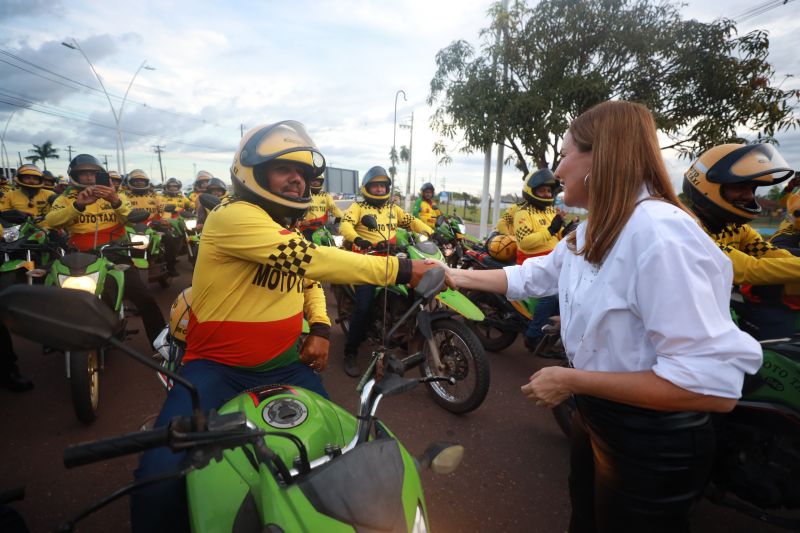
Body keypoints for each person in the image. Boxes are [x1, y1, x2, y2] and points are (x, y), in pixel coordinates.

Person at [447, 100, 762, 533]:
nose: (556, 171)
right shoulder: (596, 227)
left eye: (563, 154)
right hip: (596, 415)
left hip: (650, 439)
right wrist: (452, 275)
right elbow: (537, 275)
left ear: (601, 156)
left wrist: (571, 379)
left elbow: (709, 387)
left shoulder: (663, 235)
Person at [130, 121, 441, 532]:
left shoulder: (286, 226)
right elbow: (312, 261)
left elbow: (308, 281)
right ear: (254, 172)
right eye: (284, 169)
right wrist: (403, 269)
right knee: (158, 480)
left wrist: (319, 327)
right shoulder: (233, 216)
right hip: (217, 369)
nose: (298, 180)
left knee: (340, 454)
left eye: (304, 173)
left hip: (285, 365)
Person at [45, 155, 166, 344]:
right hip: (78, 255)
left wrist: (114, 200)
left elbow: (132, 218)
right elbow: (52, 221)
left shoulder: (117, 195)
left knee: (144, 298)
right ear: (74, 175)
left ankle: (162, 345)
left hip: (114, 253)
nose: (89, 178)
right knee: (52, 293)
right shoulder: (65, 198)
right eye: (83, 173)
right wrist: (78, 205)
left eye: (93, 173)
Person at [682, 143, 799, 339]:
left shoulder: (736, 228)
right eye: (740, 187)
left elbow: (775, 255)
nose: (749, 196)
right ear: (710, 186)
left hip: (714, 309)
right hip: (685, 320)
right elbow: (748, 269)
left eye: (752, 188)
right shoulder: (689, 229)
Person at [339, 166, 433, 377]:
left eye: (383, 185)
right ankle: (351, 352)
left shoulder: (393, 209)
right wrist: (358, 239)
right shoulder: (358, 207)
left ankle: (401, 332)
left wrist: (431, 233)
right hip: (367, 262)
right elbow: (345, 226)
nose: (380, 189)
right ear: (367, 187)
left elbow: (412, 221)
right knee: (363, 307)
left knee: (412, 291)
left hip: (391, 261)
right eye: (376, 185)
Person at [513, 168, 569, 353]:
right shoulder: (523, 212)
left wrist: (566, 231)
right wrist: (551, 230)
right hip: (532, 263)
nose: (546, 194)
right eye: (542, 190)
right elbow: (525, 242)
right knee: (553, 294)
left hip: (552, 263)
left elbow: (556, 236)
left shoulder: (549, 210)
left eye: (548, 191)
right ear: (532, 191)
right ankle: (533, 335)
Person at [298, 172, 343, 240]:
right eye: (313, 180)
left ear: (321, 182)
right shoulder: (303, 195)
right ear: (309, 182)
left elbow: (336, 211)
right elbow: (295, 212)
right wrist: (301, 221)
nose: (315, 182)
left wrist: (337, 223)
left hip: (321, 229)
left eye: (318, 181)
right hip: (305, 229)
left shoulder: (326, 196)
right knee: (308, 248)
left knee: (329, 245)